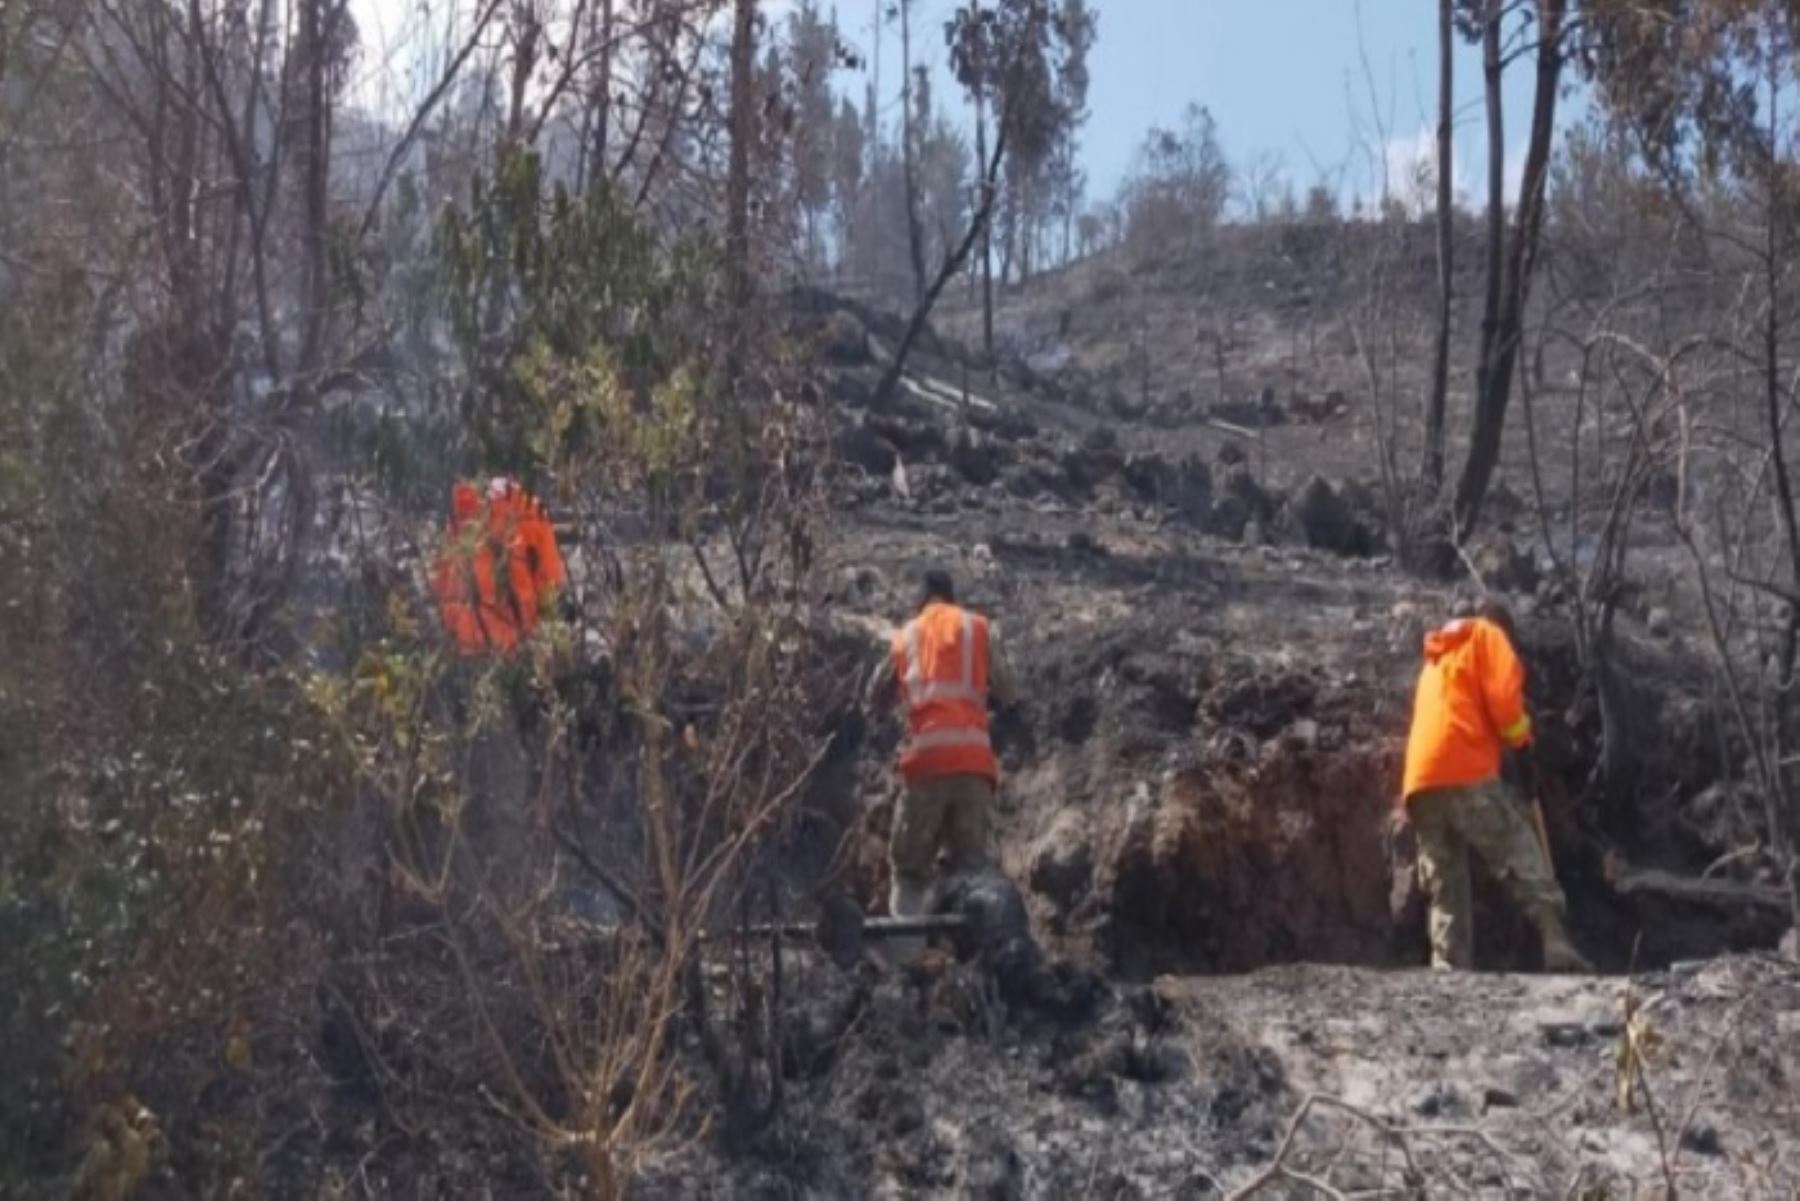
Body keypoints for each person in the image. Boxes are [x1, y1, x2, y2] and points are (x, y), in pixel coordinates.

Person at [1401, 601, 1592, 972]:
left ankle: (1449, 966)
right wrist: (1520, 744)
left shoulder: (1439, 659)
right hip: (1464, 765)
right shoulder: (1489, 635)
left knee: (1445, 878)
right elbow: (1504, 699)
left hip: (1421, 780)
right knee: (1516, 845)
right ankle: (1555, 939)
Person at [867, 569, 1019, 935]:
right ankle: (979, 955)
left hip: (927, 762)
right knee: (973, 871)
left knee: (909, 870)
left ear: (922, 598)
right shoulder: (978, 628)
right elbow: (1009, 690)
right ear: (952, 597)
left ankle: (905, 953)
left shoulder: (907, 635)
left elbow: (874, 695)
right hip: (973, 765)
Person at [432, 476, 567, 656]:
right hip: (516, 645)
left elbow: (440, 588)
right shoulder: (527, 510)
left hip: (467, 647)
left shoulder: (460, 511)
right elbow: (551, 582)